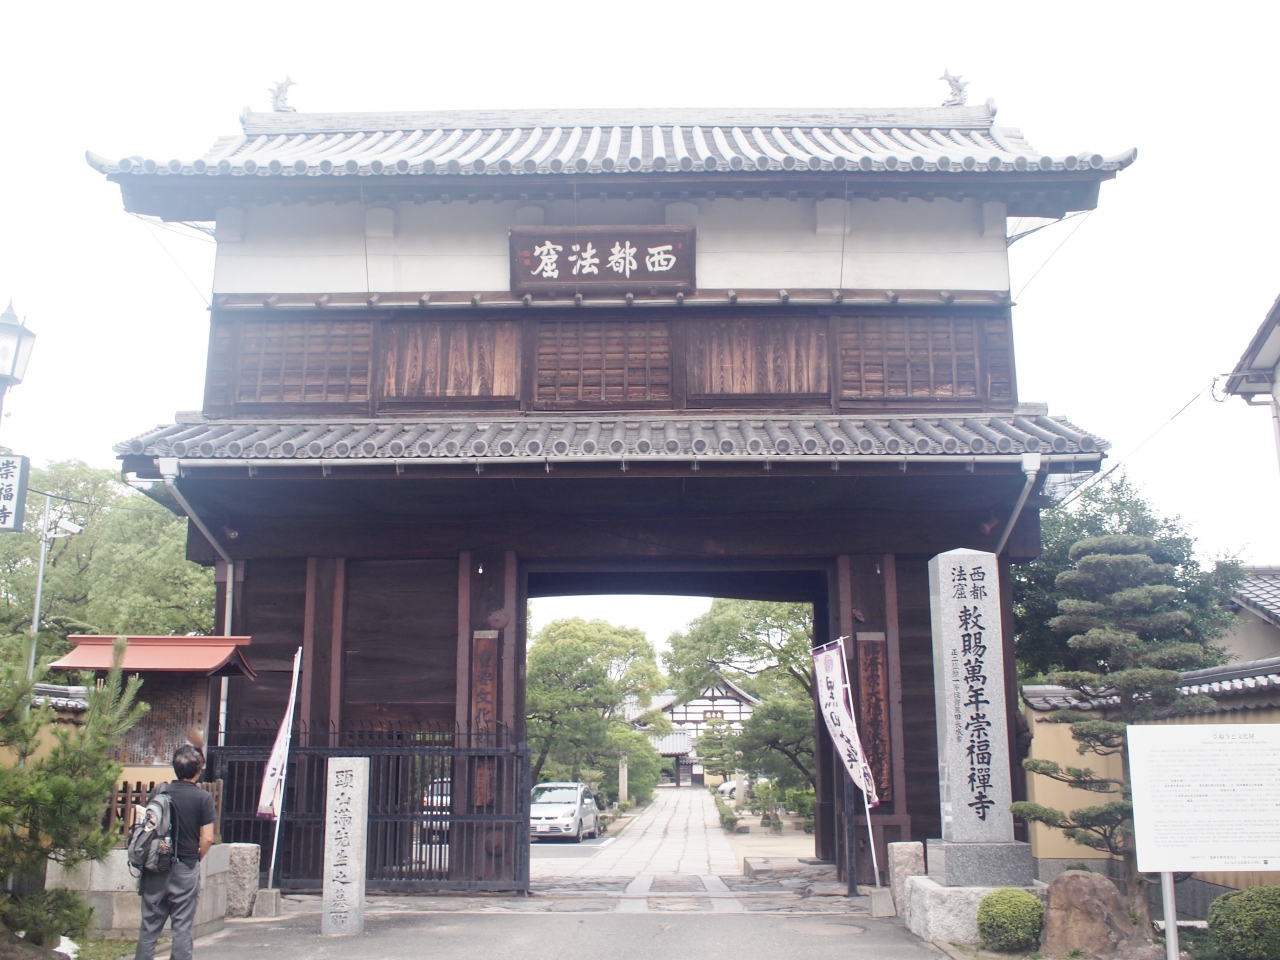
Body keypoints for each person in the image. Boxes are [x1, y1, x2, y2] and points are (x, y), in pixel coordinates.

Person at [135, 740, 217, 960]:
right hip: (185, 867)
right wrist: (194, 859)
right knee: (182, 927)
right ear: (198, 770)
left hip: (155, 866)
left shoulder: (160, 793)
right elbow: (208, 838)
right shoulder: (203, 798)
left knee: (149, 927)